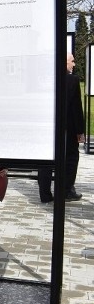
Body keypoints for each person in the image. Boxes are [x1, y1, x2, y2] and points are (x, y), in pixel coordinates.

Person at [38, 53, 85, 203]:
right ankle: (65, 190)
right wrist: (80, 131)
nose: (74, 64)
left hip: (46, 127)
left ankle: (44, 194)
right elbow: (76, 108)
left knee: (46, 160)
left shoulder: (45, 80)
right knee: (71, 158)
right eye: (72, 61)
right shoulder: (72, 80)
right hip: (66, 129)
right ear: (65, 63)